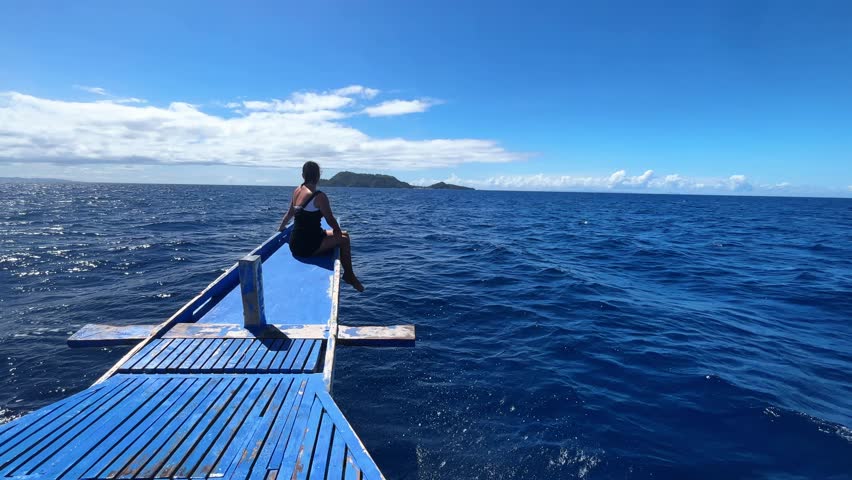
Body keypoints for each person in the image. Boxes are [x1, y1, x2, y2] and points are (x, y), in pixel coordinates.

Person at [278, 161, 365, 292]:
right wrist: (337, 230)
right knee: (344, 240)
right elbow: (330, 219)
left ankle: (349, 274)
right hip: (307, 247)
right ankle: (349, 275)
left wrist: (281, 227)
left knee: (344, 234)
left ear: (303, 175)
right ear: (318, 176)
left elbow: (290, 213)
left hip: (295, 244)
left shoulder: (297, 190)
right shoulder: (319, 196)